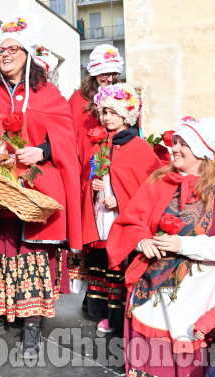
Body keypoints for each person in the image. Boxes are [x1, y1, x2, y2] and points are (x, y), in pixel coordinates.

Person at [0, 12, 81, 359]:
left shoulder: (47, 93)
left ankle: (31, 325)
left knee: (31, 255)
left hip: (32, 187)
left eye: (14, 48)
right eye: (2, 50)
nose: (6, 54)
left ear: (29, 54)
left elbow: (64, 137)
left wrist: (40, 150)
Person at [107, 116, 215, 377]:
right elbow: (131, 222)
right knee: (150, 358)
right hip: (151, 289)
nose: (174, 148)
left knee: (186, 359)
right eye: (174, 142)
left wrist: (181, 244)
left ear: (201, 151)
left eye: (182, 144)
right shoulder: (160, 182)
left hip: (196, 292)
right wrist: (142, 242)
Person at [79, 83, 161, 335]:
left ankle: (117, 318)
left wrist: (120, 198)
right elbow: (91, 174)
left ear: (126, 115)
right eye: (103, 112)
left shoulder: (140, 148)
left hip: (122, 220)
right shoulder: (100, 143)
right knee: (101, 265)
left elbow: (149, 189)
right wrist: (94, 185)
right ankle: (100, 311)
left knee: (118, 266)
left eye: (112, 113)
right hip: (101, 217)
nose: (106, 118)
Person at [67, 44, 124, 304]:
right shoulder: (78, 100)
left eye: (113, 73)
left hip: (112, 172)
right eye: (104, 73)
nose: (109, 78)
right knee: (88, 232)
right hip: (84, 174)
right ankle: (91, 297)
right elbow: (68, 138)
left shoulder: (122, 96)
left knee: (108, 230)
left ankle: (107, 300)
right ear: (93, 73)